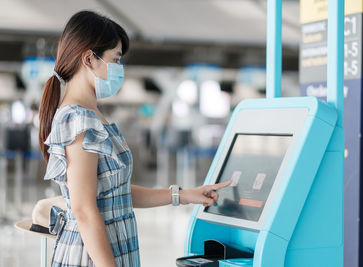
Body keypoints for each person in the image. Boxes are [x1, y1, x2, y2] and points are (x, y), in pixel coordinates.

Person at [38, 10, 231, 267]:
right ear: (88, 59)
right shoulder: (77, 119)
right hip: (91, 257)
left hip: (113, 248)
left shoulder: (95, 116)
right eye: (115, 59)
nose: (120, 68)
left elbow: (115, 194)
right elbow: (84, 210)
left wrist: (184, 195)